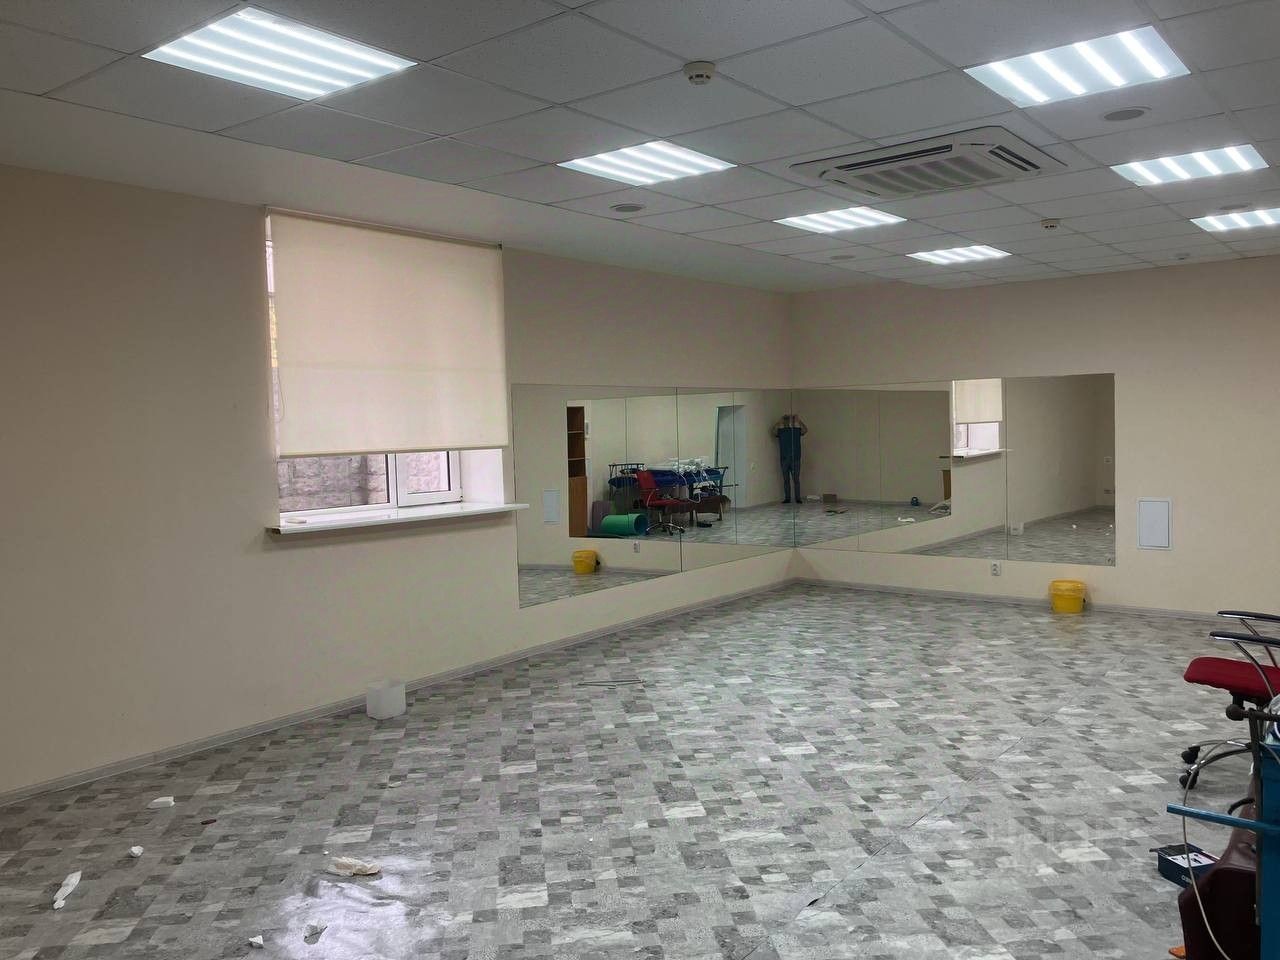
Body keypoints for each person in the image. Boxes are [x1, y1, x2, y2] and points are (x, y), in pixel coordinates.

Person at [773, 413, 808, 504]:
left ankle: (798, 498)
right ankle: (787, 498)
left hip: (795, 458)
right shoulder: (781, 431)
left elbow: (805, 430)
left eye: (789, 420)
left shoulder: (796, 431)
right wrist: (779, 421)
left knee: (796, 479)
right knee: (786, 480)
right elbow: (774, 431)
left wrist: (799, 421)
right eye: (786, 420)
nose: (787, 422)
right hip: (784, 458)